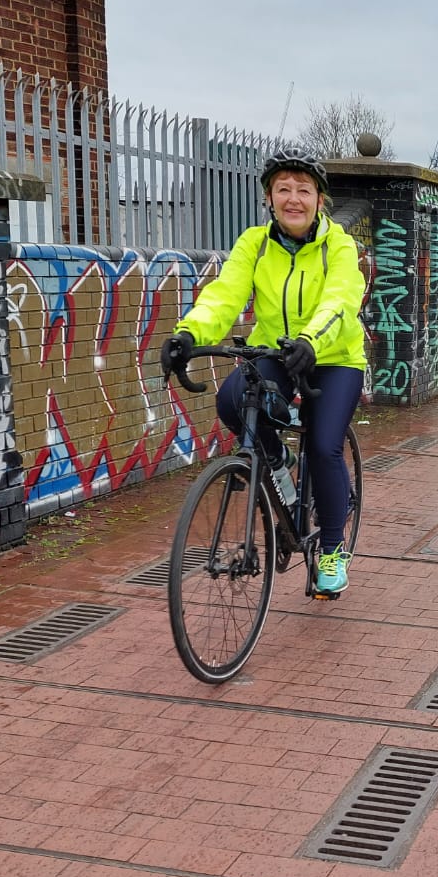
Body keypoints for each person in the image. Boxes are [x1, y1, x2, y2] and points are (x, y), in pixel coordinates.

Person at [160, 148, 367, 597]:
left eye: (304, 190)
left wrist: (313, 341)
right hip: (278, 350)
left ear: (320, 199)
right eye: (283, 190)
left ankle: (331, 546)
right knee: (232, 399)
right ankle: (275, 459)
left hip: (332, 357)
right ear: (269, 198)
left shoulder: (339, 247)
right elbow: (225, 294)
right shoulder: (254, 243)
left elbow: (340, 301)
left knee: (325, 447)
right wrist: (188, 334)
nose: (293, 199)